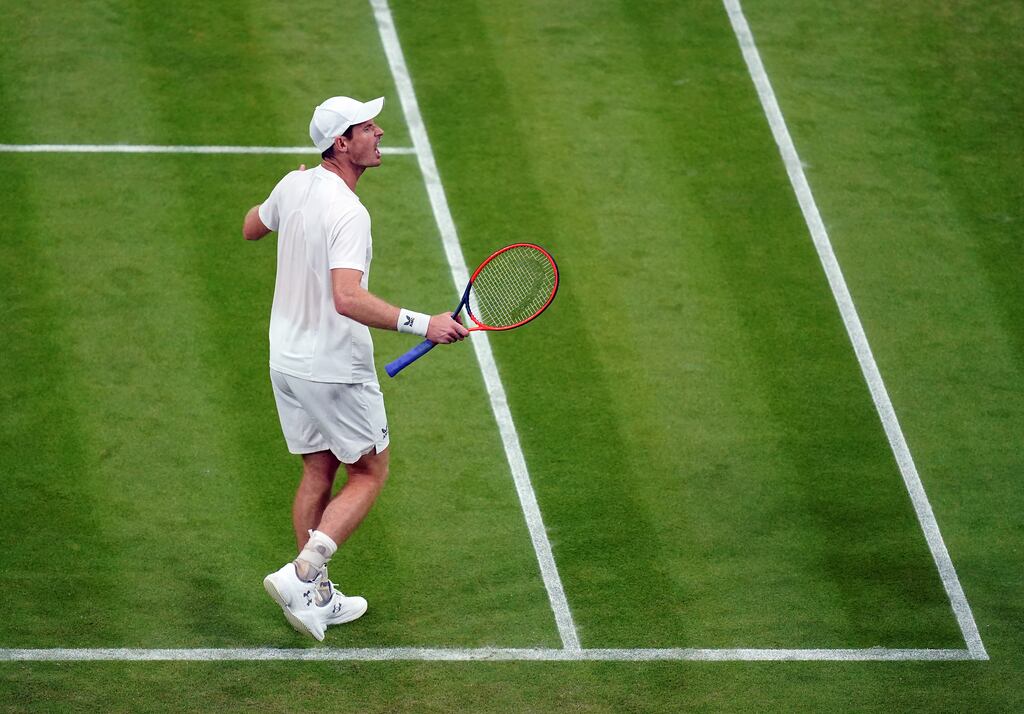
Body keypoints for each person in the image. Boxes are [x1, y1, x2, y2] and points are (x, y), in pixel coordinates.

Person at [241, 95, 468, 641]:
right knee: (368, 473)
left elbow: (252, 226)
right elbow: (347, 297)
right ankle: (302, 573)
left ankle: (313, 598)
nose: (380, 132)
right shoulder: (349, 212)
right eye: (368, 127)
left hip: (286, 363)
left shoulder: (294, 185)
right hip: (334, 368)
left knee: (318, 472)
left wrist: (286, 188)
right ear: (342, 143)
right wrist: (425, 323)